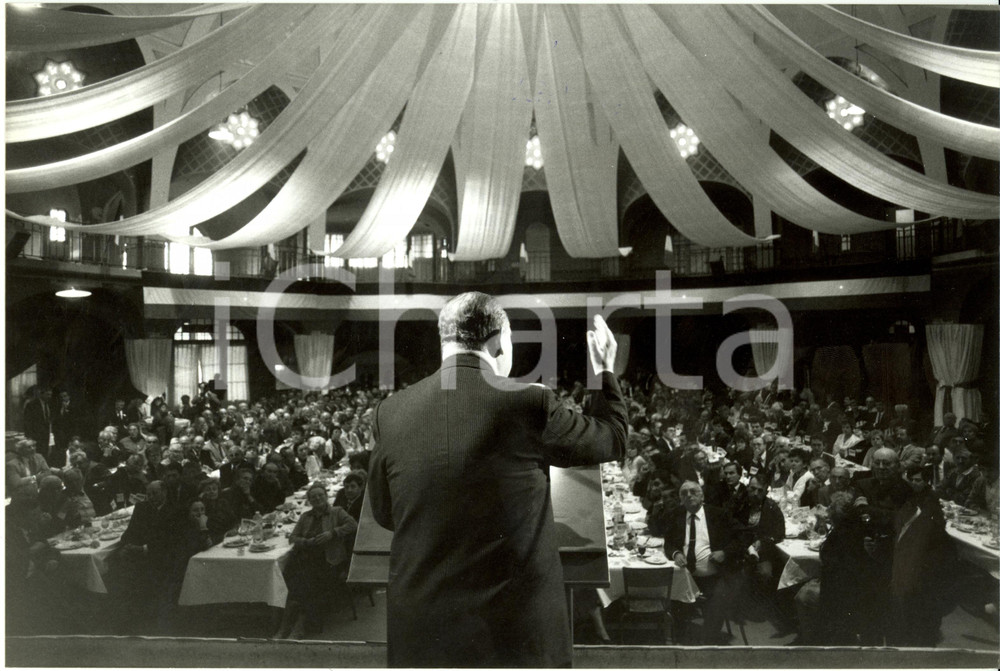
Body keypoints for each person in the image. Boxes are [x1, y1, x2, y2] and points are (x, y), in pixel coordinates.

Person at [368, 294, 627, 667]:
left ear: (446, 344)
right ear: (497, 341)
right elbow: (613, 438)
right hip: (512, 638)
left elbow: (384, 512)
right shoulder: (527, 403)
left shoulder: (390, 412)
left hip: (424, 636)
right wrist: (603, 370)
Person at [663, 480, 744, 644]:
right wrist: (676, 553)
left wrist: (725, 552)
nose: (689, 495)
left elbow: (743, 537)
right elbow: (668, 542)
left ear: (702, 496)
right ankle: (680, 642)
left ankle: (708, 646)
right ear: (680, 499)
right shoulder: (676, 515)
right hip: (685, 576)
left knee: (717, 604)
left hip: (714, 576)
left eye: (693, 491)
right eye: (684, 493)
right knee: (671, 600)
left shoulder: (718, 514)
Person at [276, 484, 358, 639]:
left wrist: (332, 533)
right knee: (291, 580)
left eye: (320, 495)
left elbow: (353, 525)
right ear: (309, 501)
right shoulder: (306, 517)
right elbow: (293, 538)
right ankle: (287, 626)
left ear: (326, 496)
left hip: (330, 560)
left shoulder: (337, 512)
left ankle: (297, 626)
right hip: (306, 558)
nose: (317, 499)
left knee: (305, 581)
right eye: (313, 497)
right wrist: (307, 542)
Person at [888, 466, 954, 646]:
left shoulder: (929, 504)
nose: (915, 483)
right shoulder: (913, 502)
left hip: (924, 562)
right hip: (914, 560)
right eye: (913, 480)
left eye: (919, 480)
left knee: (917, 601)